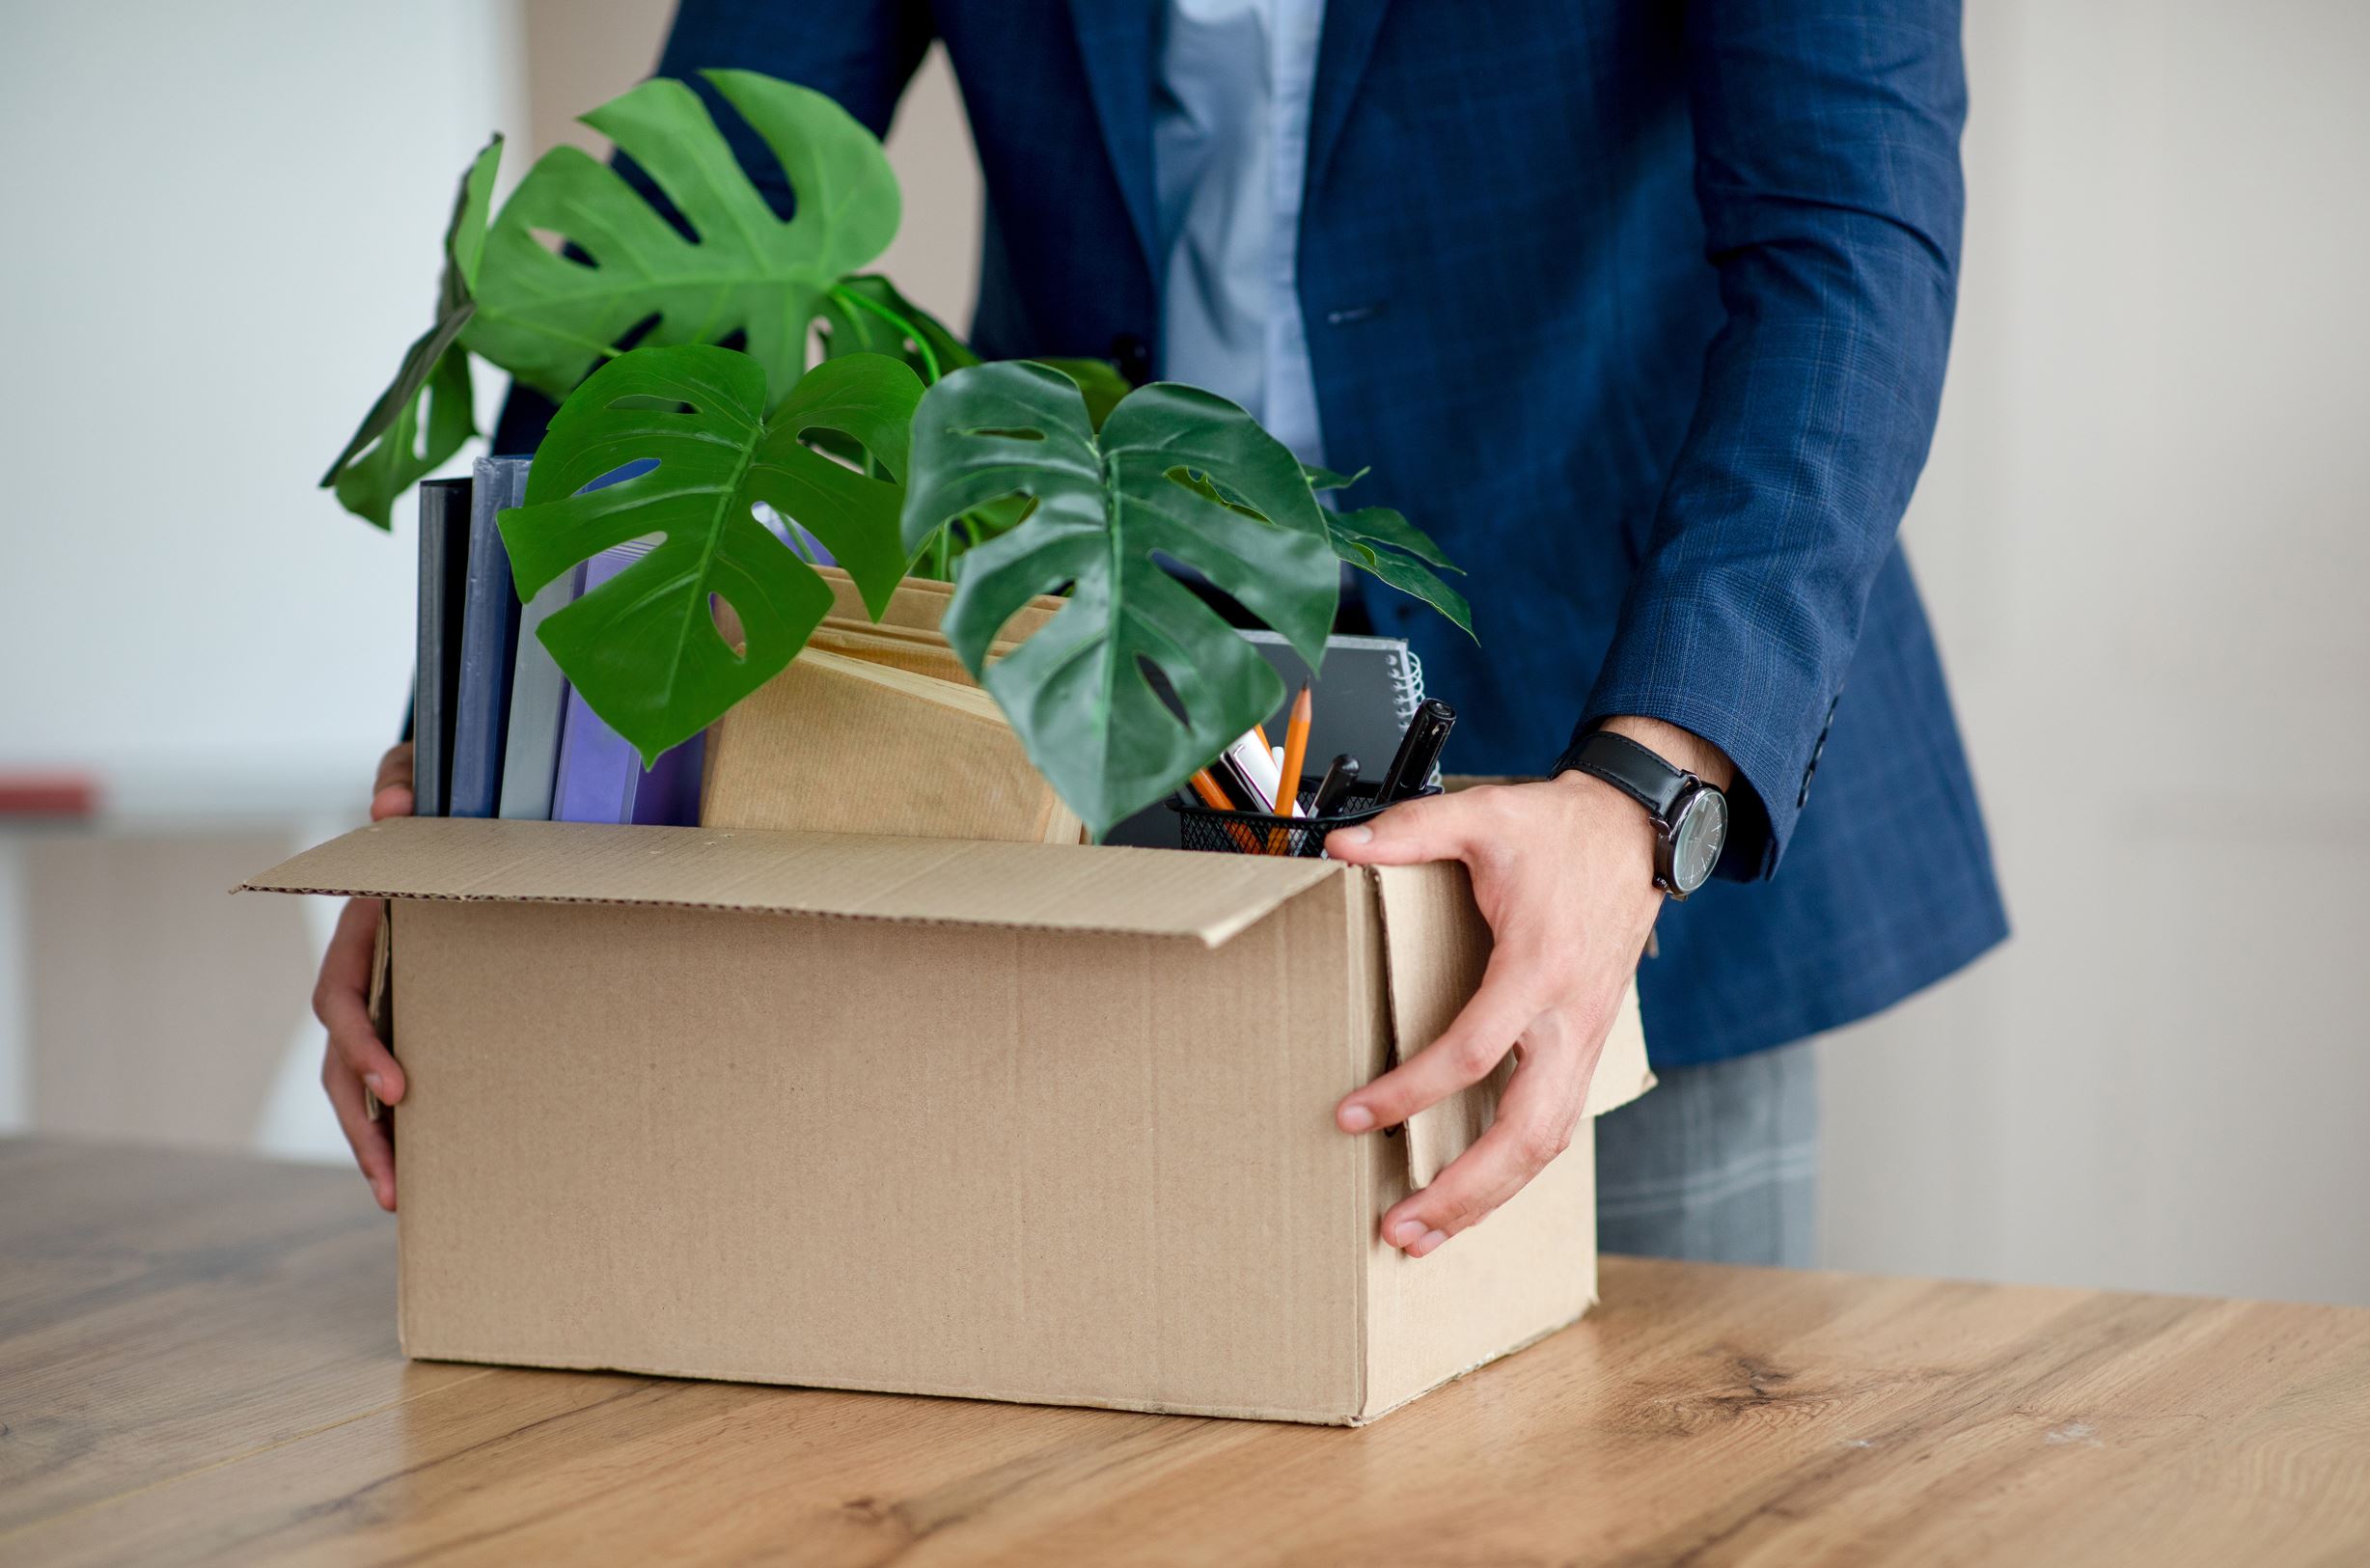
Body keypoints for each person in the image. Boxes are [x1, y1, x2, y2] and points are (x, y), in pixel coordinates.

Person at [317, 0, 2005, 1268]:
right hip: (1101, 714)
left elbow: (1850, 237)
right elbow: (677, 250)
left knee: (1649, 1473)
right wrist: (484, 766)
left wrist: (1652, 785)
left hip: (1599, 732)